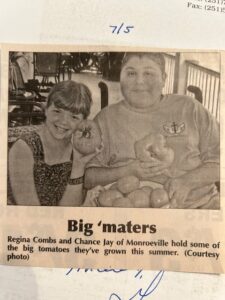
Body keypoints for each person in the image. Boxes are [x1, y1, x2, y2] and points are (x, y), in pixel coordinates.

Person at [85, 52, 220, 209]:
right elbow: (88, 177)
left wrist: (188, 182)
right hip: (133, 217)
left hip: (200, 206)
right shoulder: (105, 118)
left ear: (164, 78)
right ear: (120, 78)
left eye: (148, 73)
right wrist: (128, 170)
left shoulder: (190, 107)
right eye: (131, 73)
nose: (139, 81)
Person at [8, 80, 103, 206]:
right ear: (46, 109)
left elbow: (68, 212)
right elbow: (30, 215)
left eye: (74, 117)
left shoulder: (79, 149)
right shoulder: (24, 148)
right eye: (57, 111)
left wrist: (78, 165)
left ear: (83, 122)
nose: (63, 121)